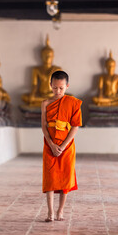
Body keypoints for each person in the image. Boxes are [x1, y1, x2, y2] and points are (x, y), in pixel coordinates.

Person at [41, 70, 82, 222]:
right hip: (49, 144)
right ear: (50, 85)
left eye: (61, 88)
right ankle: (50, 212)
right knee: (50, 178)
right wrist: (51, 144)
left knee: (65, 178)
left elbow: (75, 126)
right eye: (55, 88)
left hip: (67, 145)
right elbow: (44, 126)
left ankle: (60, 211)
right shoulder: (45, 103)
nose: (57, 91)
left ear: (67, 86)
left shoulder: (73, 103)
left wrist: (63, 146)